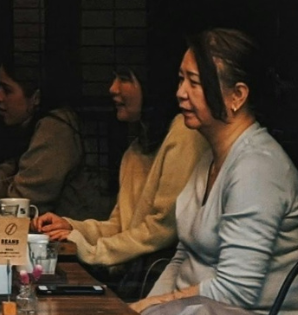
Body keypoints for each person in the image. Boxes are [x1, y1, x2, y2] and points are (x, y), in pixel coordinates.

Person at [131, 29, 298, 315]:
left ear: (237, 96)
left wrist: (153, 311)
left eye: (195, 83)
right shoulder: (211, 156)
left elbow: (236, 291)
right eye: (181, 80)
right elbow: (183, 257)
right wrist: (144, 308)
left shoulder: (257, 168)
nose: (181, 92)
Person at [32, 60, 209, 298]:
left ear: (151, 86)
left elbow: (162, 229)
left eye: (125, 79)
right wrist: (70, 226)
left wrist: (92, 251)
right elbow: (120, 226)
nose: (113, 89)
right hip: (134, 277)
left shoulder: (184, 134)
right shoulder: (136, 151)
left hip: (165, 284)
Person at [0, 59, 102, 218]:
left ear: (36, 98)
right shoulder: (28, 127)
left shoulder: (55, 129)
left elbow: (17, 204)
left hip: (69, 237)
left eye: (7, 90)